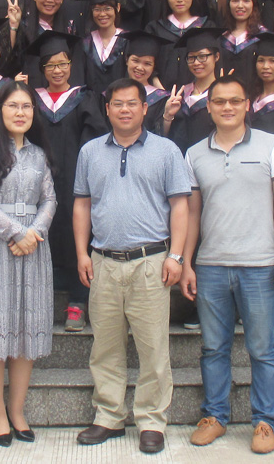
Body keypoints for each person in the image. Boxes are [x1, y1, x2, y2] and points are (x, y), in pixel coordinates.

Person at [180, 74, 274, 453]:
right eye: (219, 101)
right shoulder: (194, 154)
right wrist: (186, 262)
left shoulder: (272, 145)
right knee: (213, 348)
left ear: (247, 105)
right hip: (211, 266)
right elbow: (192, 213)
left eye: (235, 101)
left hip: (260, 266)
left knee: (262, 349)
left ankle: (265, 421)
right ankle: (215, 416)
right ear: (208, 107)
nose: (227, 107)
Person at [74, 78, 190, 455]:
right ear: (107, 109)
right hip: (103, 261)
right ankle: (108, 415)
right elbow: (82, 204)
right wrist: (81, 254)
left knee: (153, 347)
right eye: (117, 104)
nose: (124, 110)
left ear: (144, 108)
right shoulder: (90, 152)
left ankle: (151, 421)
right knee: (105, 346)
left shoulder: (166, 151)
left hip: (150, 262)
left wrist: (176, 256)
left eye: (132, 103)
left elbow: (180, 206)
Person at [0, 81, 57, 447]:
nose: (20, 112)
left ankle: (17, 410)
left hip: (33, 246)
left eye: (27, 106)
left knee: (24, 326)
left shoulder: (39, 154)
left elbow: (50, 199)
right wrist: (16, 232)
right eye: (13, 105)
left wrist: (35, 232)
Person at [28, 32, 108, 332]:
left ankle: (77, 301)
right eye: (51, 65)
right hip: (38, 182)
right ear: (42, 69)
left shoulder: (83, 98)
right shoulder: (31, 100)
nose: (57, 70)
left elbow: (95, 137)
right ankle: (39, 302)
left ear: (71, 65)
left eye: (62, 64)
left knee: (79, 235)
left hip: (75, 181)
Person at [144, 0, 215, 90]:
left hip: (198, 95)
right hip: (161, 93)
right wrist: (161, 91)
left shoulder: (206, 27)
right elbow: (147, 62)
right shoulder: (155, 29)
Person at [162, 28, 226, 153]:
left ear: (216, 56)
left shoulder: (225, 94)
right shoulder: (180, 95)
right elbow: (165, 137)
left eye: (202, 56)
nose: (196, 63)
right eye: (191, 58)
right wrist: (167, 117)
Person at [12, 0, 74, 87]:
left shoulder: (69, 28)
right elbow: (12, 61)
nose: (50, 0)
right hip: (31, 89)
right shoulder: (23, 26)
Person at [75, 0, 128, 95]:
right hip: (90, 103)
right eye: (97, 9)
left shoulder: (127, 41)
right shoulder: (85, 43)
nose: (102, 14)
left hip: (121, 102)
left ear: (118, 7)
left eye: (107, 8)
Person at [118, 30, 172, 132]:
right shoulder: (112, 94)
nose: (140, 67)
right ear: (126, 60)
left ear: (153, 67)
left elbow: (163, 135)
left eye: (147, 64)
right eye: (135, 60)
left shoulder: (161, 99)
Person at [216, 0, 265, 84]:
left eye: (246, 0)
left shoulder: (263, 36)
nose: (240, 6)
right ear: (229, 4)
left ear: (253, 4)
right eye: (235, 0)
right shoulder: (220, 37)